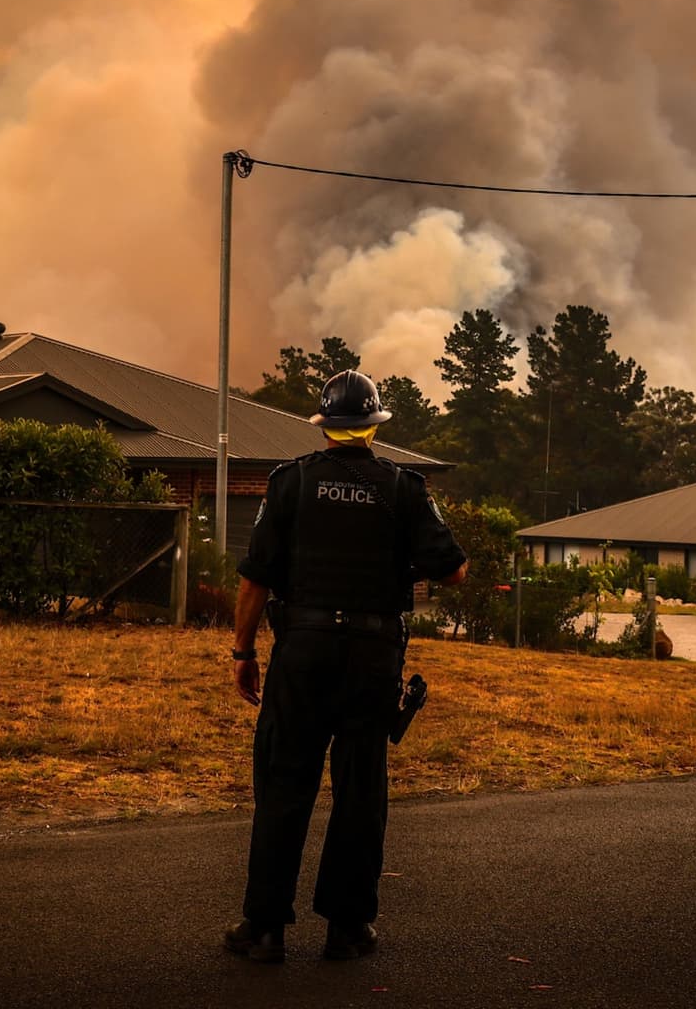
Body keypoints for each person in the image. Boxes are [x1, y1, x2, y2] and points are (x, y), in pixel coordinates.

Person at [223, 369, 468, 965]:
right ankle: (348, 927)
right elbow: (453, 570)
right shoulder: (405, 489)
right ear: (374, 424)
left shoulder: (290, 483)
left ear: (325, 424)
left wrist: (243, 652)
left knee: (284, 783)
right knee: (360, 790)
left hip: (301, 652)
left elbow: (256, 578)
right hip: (371, 657)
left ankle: (264, 930)